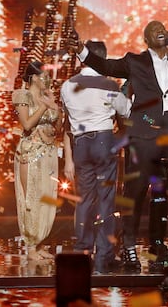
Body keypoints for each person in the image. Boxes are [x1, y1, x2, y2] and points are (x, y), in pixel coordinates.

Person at [72, 21, 168, 270]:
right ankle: (130, 247)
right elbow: (105, 65)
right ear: (146, 39)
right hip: (144, 134)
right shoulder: (135, 61)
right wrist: (81, 50)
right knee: (135, 192)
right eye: (153, 29)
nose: (160, 30)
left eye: (162, 27)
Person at [60, 41, 132, 274]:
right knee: (106, 200)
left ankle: (83, 250)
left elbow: (67, 119)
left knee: (85, 199)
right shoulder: (108, 84)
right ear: (102, 59)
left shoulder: (66, 85)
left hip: (80, 143)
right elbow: (126, 111)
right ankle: (103, 256)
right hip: (103, 141)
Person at [12, 61, 61, 262]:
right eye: (43, 76)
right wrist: (44, 106)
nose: (46, 80)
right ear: (33, 77)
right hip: (31, 153)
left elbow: (58, 127)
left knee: (47, 200)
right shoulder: (22, 95)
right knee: (31, 198)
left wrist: (55, 106)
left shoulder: (46, 97)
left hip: (49, 153)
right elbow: (27, 124)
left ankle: (40, 243)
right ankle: (31, 246)